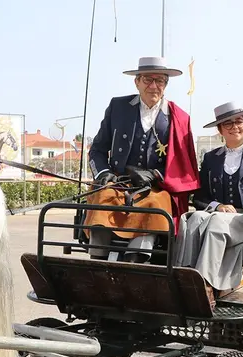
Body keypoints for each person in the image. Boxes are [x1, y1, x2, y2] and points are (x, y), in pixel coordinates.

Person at [85, 56, 200, 261]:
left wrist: (155, 174)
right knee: (103, 196)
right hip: (119, 183)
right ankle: (98, 260)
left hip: (156, 187)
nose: (154, 86)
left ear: (166, 84)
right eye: (147, 79)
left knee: (156, 204)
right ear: (136, 81)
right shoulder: (118, 107)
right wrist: (104, 174)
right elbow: (97, 150)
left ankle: (137, 260)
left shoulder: (179, 117)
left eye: (160, 81)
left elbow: (184, 167)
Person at [175, 102, 243, 295]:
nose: (235, 127)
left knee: (216, 222)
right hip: (220, 216)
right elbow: (200, 197)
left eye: (238, 122)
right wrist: (218, 205)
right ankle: (185, 277)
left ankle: (204, 284)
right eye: (228, 124)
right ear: (220, 130)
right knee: (192, 218)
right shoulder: (211, 158)